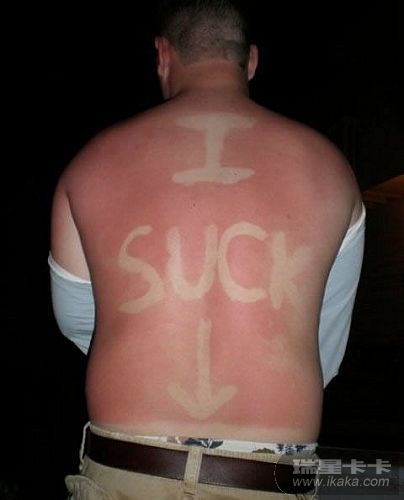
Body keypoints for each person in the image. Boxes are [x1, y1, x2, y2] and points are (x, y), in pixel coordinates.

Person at [49, 0, 365, 498]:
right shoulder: (331, 169)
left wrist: (151, 338)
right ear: (251, 61)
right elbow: (325, 337)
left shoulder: (90, 165)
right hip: (272, 476)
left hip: (128, 467)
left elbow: (78, 321)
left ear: (162, 55)